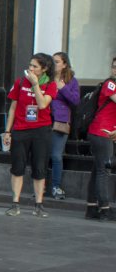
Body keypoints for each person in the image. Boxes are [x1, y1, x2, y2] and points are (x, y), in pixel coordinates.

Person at [1, 53, 58, 217]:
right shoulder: (20, 82)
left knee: (39, 167)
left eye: (35, 66)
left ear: (44, 69)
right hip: (21, 129)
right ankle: (15, 203)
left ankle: (38, 204)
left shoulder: (50, 85)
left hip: (41, 130)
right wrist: (7, 131)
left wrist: (35, 85)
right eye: (30, 65)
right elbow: (12, 108)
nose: (30, 69)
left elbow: (42, 104)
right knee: (17, 167)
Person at [85, 56, 116, 222]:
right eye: (114, 67)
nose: (115, 70)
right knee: (104, 170)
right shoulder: (110, 84)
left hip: (104, 132)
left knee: (97, 169)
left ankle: (91, 207)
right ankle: (105, 209)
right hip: (101, 132)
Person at [49, 52, 80, 200]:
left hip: (60, 121)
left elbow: (76, 100)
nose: (54, 64)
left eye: (57, 62)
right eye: (52, 61)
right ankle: (40, 185)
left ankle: (56, 186)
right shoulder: (46, 78)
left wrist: (63, 88)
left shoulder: (71, 80)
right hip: (45, 118)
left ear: (65, 64)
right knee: (41, 155)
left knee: (56, 155)